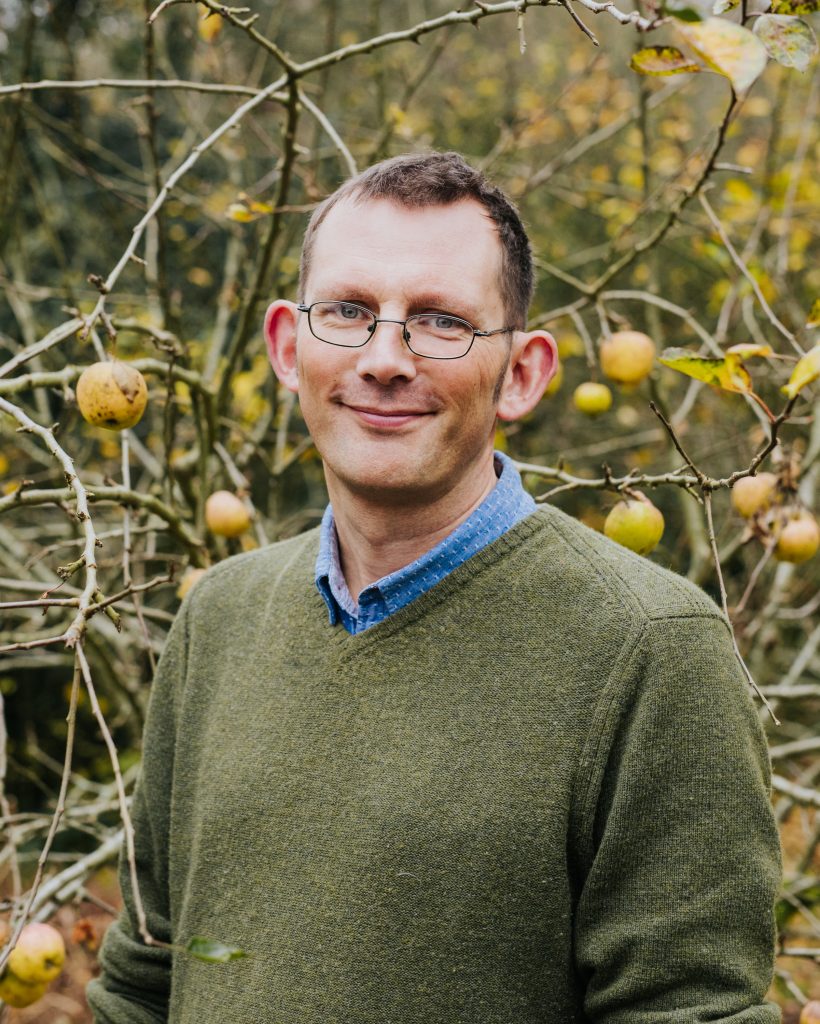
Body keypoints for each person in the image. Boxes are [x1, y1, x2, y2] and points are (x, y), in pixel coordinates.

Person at [87, 152, 782, 1023]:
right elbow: (142, 983)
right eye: (346, 311)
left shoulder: (652, 650)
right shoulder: (218, 618)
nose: (384, 358)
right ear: (286, 348)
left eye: (441, 321)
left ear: (522, 373)